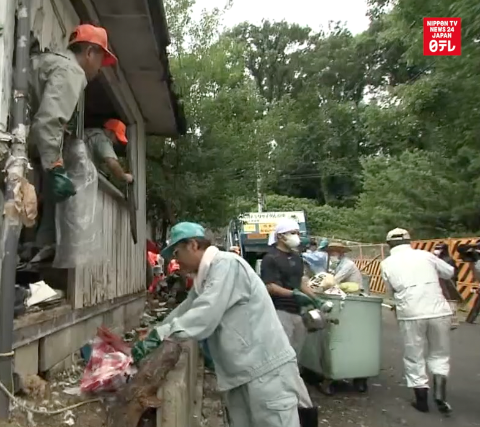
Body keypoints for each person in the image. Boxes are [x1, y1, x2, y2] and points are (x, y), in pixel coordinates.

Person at [0, 23, 119, 271]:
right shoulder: (71, 72)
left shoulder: (53, 63)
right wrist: (55, 168)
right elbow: (48, 124)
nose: (100, 68)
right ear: (90, 52)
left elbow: (42, 123)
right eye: (101, 59)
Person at [132, 222, 317, 427]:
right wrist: (156, 332)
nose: (176, 261)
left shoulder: (227, 265)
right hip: (240, 373)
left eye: (177, 253)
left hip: (265, 370)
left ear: (193, 245)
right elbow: (186, 309)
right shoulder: (206, 278)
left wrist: (159, 336)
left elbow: (205, 314)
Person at [381, 228, 454, 414]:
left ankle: (421, 400)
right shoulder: (425, 255)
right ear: (409, 241)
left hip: (410, 312)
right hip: (438, 310)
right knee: (439, 354)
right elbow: (449, 272)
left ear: (389, 244)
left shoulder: (386, 263)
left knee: (414, 355)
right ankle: (440, 394)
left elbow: (390, 290)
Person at [260, 219, 319, 358]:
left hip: (297, 311)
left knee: (296, 352)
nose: (296, 236)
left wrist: (316, 298)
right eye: (293, 233)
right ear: (280, 236)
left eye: (297, 233)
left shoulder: (297, 258)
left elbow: (300, 281)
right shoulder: (270, 258)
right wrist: (293, 294)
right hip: (279, 310)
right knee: (282, 352)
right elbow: (270, 286)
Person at [84, 119, 133, 183]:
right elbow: (112, 162)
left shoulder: (90, 133)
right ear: (110, 131)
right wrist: (124, 177)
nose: (116, 142)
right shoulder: (102, 139)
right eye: (116, 138)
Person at [433, 242, 461, 329]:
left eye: (439, 248)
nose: (436, 250)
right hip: (438, 283)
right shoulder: (435, 259)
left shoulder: (449, 260)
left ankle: (453, 321)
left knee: (451, 302)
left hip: (448, 283)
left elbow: (454, 272)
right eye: (436, 248)